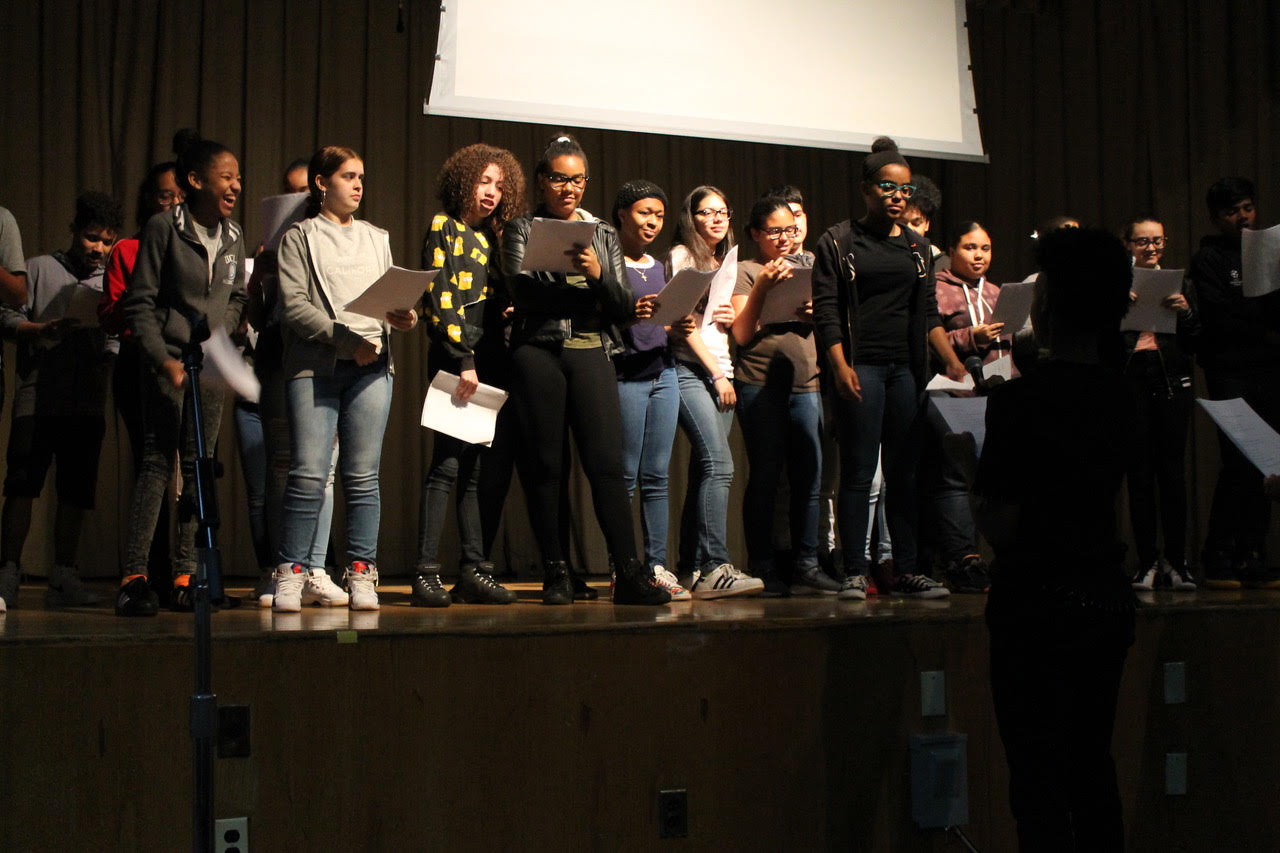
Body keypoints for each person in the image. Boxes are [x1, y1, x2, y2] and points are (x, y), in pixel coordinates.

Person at [974, 226, 1137, 852]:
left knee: (1038, 782)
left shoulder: (1019, 401)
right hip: (1104, 596)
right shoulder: (1122, 395)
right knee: (1093, 768)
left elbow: (1004, 526)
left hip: (1035, 604)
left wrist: (971, 474)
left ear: (1048, 306)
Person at [502, 134, 668, 605]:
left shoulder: (603, 234)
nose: (569, 188)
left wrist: (596, 274)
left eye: (578, 180)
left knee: (607, 465)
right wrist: (587, 298)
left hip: (591, 350)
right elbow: (522, 292)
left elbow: (622, 305)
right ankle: (557, 572)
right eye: (559, 178)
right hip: (538, 350)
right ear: (542, 181)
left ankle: (629, 573)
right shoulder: (520, 228)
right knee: (547, 465)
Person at [811, 137, 963, 601]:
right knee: (859, 473)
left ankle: (907, 569)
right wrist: (840, 365)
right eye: (887, 187)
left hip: (906, 370)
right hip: (863, 366)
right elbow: (827, 310)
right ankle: (855, 571)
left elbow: (929, 314)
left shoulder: (918, 248)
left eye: (904, 190)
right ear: (865, 190)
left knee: (904, 474)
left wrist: (951, 359)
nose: (897, 197)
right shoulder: (839, 242)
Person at [270, 146, 418, 612]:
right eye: (348, 176)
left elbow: (388, 300)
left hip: (371, 366)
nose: (357, 185)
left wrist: (404, 317)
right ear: (321, 182)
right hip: (317, 366)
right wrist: (345, 340)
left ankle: (361, 573)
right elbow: (294, 307)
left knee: (362, 476)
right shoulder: (299, 237)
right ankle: (292, 573)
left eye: (361, 177)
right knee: (309, 474)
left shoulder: (376, 237)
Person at [118, 133, 248, 616]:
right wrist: (164, 360)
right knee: (158, 463)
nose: (236, 186)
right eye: (226, 177)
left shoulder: (232, 235)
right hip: (168, 361)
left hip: (209, 365)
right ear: (195, 180)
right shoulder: (163, 227)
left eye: (238, 177)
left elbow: (236, 297)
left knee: (199, 467)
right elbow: (140, 303)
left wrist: (219, 335)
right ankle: (134, 577)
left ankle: (185, 576)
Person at [413, 143, 525, 607]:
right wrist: (463, 360)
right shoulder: (445, 226)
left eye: (499, 185)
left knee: (476, 470)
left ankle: (473, 570)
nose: (491, 192)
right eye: (483, 181)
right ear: (463, 181)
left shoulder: (490, 239)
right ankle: (425, 573)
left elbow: (489, 298)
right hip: (458, 360)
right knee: (446, 466)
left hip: (488, 360)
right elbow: (440, 298)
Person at [0, 191, 124, 611]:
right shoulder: (38, 268)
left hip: (86, 398)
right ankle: (8, 572)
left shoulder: (109, 279)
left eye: (107, 241)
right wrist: (40, 330)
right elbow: (8, 316)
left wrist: (109, 356)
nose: (99, 249)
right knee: (22, 484)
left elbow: (115, 332)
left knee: (76, 489)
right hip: (38, 394)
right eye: (91, 238)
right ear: (73, 230)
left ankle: (64, 575)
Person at [730, 195, 831, 597]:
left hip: (807, 380)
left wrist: (816, 313)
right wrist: (763, 287)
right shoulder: (746, 270)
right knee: (766, 477)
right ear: (756, 234)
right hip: (759, 382)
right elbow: (742, 333)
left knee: (809, 478)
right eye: (774, 231)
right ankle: (763, 564)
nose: (784, 238)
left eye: (790, 229)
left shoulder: (810, 267)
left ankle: (807, 564)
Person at [667, 186, 762, 598]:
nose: (717, 218)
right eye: (707, 212)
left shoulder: (726, 263)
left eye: (723, 211)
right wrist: (717, 375)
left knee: (705, 471)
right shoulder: (682, 256)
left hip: (721, 368)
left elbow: (737, 330)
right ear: (691, 218)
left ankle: (690, 567)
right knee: (720, 465)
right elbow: (681, 325)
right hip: (692, 369)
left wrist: (729, 314)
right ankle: (714, 566)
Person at [99, 156, 185, 599]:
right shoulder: (128, 250)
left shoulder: (198, 249)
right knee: (152, 464)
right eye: (164, 196)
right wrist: (143, 299)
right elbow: (113, 317)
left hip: (185, 364)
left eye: (180, 196)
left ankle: (185, 575)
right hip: (140, 363)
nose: (172, 204)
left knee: (190, 468)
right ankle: (146, 572)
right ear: (150, 200)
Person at [1190, 177, 1280, 589]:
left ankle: (1252, 553)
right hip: (1230, 369)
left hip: (1268, 367)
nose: (1243, 217)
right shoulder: (1209, 259)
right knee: (1238, 462)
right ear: (1216, 218)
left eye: (1247, 208)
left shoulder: (1268, 250)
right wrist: (1259, 321)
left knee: (1267, 462)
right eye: (1232, 211)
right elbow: (1218, 315)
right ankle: (1219, 553)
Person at [611, 179, 691, 600]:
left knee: (657, 476)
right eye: (645, 213)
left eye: (659, 216)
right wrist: (630, 316)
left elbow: (663, 324)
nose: (653, 222)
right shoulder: (610, 265)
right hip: (626, 375)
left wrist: (678, 326)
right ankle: (623, 568)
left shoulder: (661, 267)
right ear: (622, 214)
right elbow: (601, 321)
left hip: (665, 372)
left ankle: (656, 565)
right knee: (625, 476)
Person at [1121, 216, 1199, 592]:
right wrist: (1119, 308)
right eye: (1142, 241)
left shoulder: (1180, 283)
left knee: (1172, 474)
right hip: (1132, 379)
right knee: (1139, 474)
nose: (1151, 248)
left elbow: (1198, 340)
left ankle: (1177, 561)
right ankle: (1147, 561)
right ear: (1128, 245)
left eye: (1157, 241)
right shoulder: (1117, 285)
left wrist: (1186, 312)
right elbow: (1101, 341)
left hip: (1171, 380)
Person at [928, 221, 1003, 592]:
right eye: (970, 248)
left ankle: (993, 556)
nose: (979, 256)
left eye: (985, 248)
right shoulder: (937, 288)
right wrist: (969, 337)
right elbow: (928, 334)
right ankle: (961, 557)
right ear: (952, 251)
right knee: (955, 473)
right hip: (950, 390)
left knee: (991, 475)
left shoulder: (996, 292)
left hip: (994, 391)